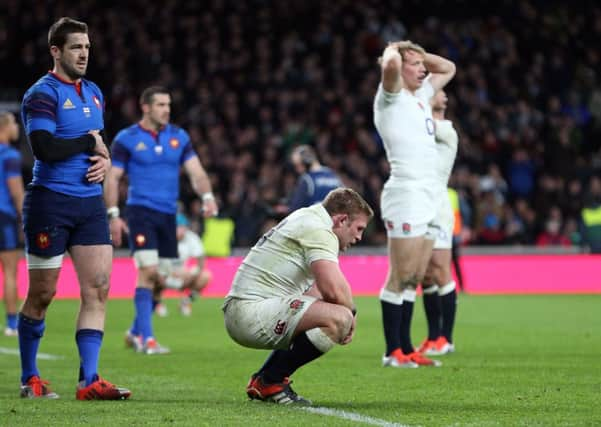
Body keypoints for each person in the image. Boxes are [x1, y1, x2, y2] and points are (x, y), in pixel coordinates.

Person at [19, 17, 130, 399]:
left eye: (87, 47)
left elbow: (97, 144)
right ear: (56, 51)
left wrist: (104, 160)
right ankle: (29, 377)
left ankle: (90, 380)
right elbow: (45, 149)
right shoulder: (42, 94)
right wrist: (88, 144)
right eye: (76, 47)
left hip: (89, 205)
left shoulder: (94, 92)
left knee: (98, 289)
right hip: (50, 202)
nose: (84, 54)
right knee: (43, 294)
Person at [223, 188, 372, 405]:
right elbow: (334, 289)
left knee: (325, 298)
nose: (359, 237)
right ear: (341, 220)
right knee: (339, 318)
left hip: (246, 308)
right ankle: (271, 381)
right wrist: (352, 313)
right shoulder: (320, 231)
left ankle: (263, 379)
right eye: (359, 228)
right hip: (250, 313)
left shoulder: (307, 217)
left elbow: (326, 288)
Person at [105, 86, 218, 355]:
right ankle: (148, 340)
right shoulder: (127, 138)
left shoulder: (179, 136)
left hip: (168, 215)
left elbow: (196, 171)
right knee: (148, 272)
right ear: (145, 107)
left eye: (168, 104)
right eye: (161, 105)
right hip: (140, 212)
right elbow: (112, 178)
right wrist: (113, 214)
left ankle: (134, 332)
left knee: (161, 278)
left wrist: (208, 197)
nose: (167, 109)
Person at [374, 40, 455, 367]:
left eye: (423, 64)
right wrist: (395, 50)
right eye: (416, 64)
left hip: (427, 196)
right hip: (405, 192)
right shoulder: (389, 96)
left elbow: (448, 67)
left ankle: (406, 348)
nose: (424, 69)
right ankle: (392, 350)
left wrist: (416, 55)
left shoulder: (421, 96)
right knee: (400, 275)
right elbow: (390, 68)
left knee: (414, 277)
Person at [417, 90, 459, 356]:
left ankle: (447, 338)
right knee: (425, 274)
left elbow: (420, 131)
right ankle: (433, 337)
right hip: (418, 207)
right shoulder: (422, 124)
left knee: (442, 271)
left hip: (438, 208)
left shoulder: (446, 130)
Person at [156, 212, 212, 317]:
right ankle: (157, 303)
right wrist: (170, 272)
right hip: (164, 274)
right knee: (151, 276)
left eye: (183, 227)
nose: (181, 230)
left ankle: (185, 303)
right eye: (178, 227)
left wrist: (192, 273)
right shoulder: (162, 238)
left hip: (183, 276)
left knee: (205, 276)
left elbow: (201, 261)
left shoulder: (191, 238)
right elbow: (154, 262)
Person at [0, 112, 24, 337]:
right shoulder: (9, 155)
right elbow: (16, 191)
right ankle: (11, 323)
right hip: (3, 215)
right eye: (15, 123)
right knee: (9, 272)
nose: (17, 127)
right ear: (5, 127)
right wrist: (25, 218)